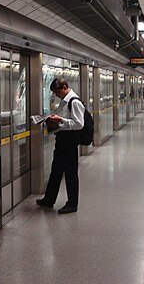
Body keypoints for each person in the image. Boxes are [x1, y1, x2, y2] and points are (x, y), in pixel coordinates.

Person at [36, 77, 85, 214]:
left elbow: (79, 124)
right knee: (56, 170)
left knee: (70, 173)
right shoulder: (64, 102)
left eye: (57, 92)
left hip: (69, 141)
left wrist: (61, 120)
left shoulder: (74, 101)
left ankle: (72, 204)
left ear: (64, 87)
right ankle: (49, 199)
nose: (56, 95)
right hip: (62, 140)